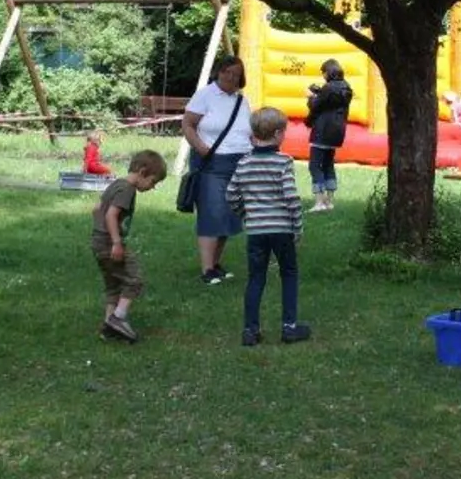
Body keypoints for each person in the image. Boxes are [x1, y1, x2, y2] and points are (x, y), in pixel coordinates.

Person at [226, 107, 309, 346]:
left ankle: (251, 331)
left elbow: (231, 195)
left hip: (256, 231)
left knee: (256, 278)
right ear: (277, 134)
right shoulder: (283, 162)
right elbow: (291, 197)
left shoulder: (243, 163)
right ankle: (289, 327)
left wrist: (247, 214)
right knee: (289, 274)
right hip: (282, 229)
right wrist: (297, 226)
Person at [180, 55, 253, 286]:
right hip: (211, 162)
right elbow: (187, 124)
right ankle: (206, 269)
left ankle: (215, 263)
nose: (231, 77)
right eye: (227, 72)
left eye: (236, 74)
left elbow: (248, 131)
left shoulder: (242, 101)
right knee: (212, 213)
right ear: (218, 72)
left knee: (230, 215)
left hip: (240, 162)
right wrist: (201, 148)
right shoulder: (205, 95)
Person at [90, 150, 168, 343]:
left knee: (113, 285)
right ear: (142, 172)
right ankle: (118, 318)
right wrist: (116, 242)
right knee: (134, 278)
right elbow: (111, 215)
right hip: (110, 243)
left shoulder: (116, 184)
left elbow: (97, 209)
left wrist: (100, 233)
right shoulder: (127, 189)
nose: (152, 187)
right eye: (153, 181)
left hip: (98, 241)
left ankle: (107, 328)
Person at [304, 59, 353, 212]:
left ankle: (319, 202)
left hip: (322, 131)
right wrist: (319, 92)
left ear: (328, 72)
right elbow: (331, 101)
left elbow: (316, 106)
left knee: (314, 165)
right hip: (337, 132)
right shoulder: (346, 88)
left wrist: (310, 97)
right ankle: (329, 201)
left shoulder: (328, 88)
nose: (323, 75)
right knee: (328, 164)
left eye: (323, 72)